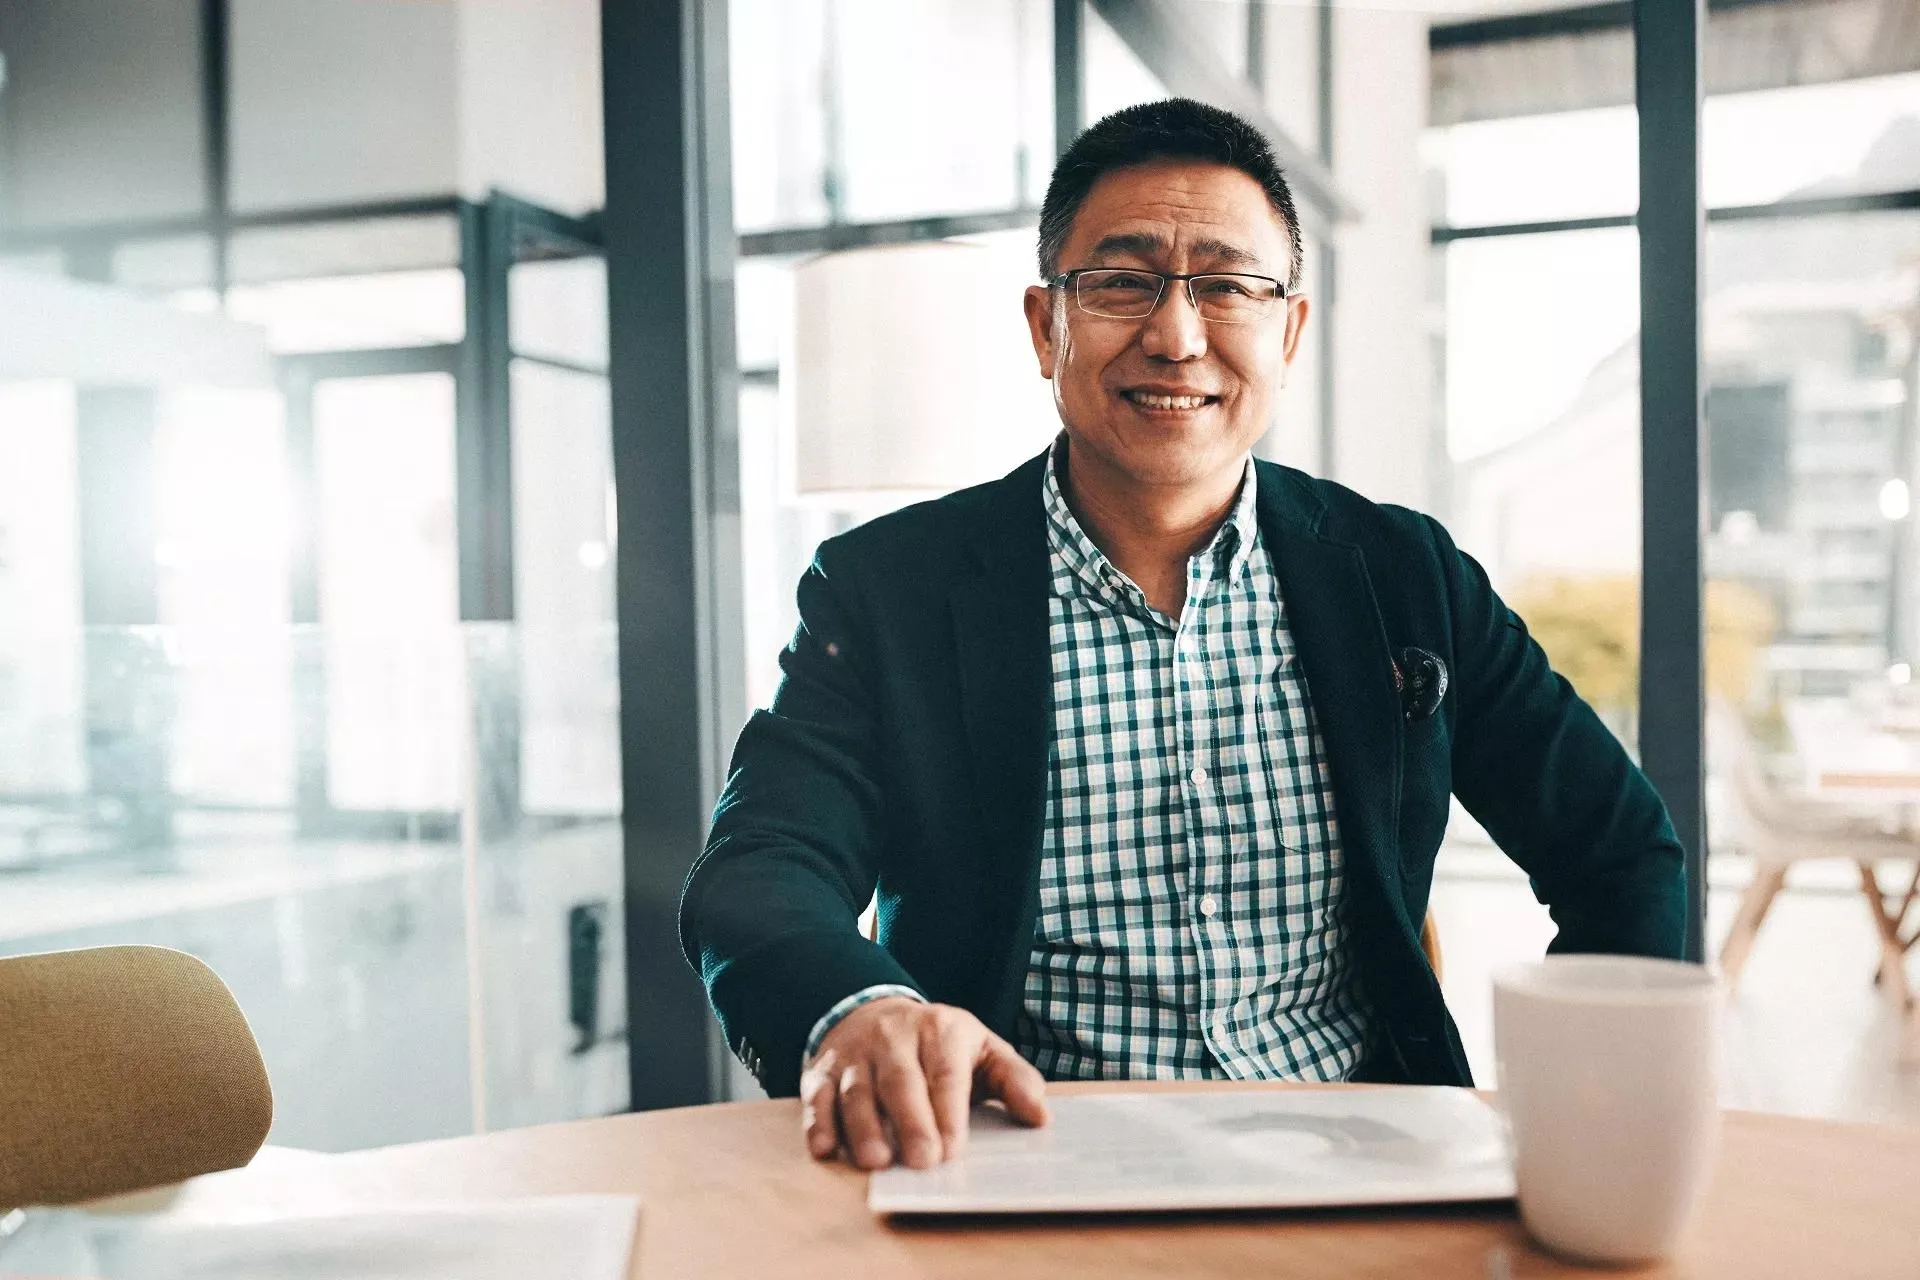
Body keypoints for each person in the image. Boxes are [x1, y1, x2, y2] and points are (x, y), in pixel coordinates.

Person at [681, 98, 1685, 1172]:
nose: (1175, 333)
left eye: (1228, 284)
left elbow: (1619, 851)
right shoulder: (889, 589)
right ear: (1044, 324)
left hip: (1359, 1166)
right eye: (1120, 281)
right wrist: (858, 1006)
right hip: (1012, 1163)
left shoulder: (1404, 574)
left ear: (1289, 330)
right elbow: (761, 864)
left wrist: (1581, 1100)